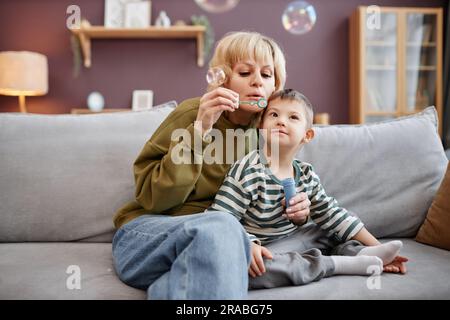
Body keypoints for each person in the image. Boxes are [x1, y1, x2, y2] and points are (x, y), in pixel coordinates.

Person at [111, 32, 312, 299]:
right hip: (147, 236)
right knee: (221, 225)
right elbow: (154, 199)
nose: (256, 82)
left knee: (199, 263)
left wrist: (298, 211)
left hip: (210, 249)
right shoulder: (193, 113)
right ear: (223, 78)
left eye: (266, 74)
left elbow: (265, 207)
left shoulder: (269, 132)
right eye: (244, 72)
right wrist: (200, 129)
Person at [209, 89, 408, 289]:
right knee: (247, 269)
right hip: (262, 251)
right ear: (261, 126)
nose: (281, 121)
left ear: (307, 135)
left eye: (293, 117)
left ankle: (362, 254)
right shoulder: (248, 170)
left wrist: (379, 247)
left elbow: (331, 215)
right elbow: (221, 218)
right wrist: (247, 243)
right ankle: (338, 264)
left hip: (294, 241)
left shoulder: (305, 174)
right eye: (274, 114)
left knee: (337, 221)